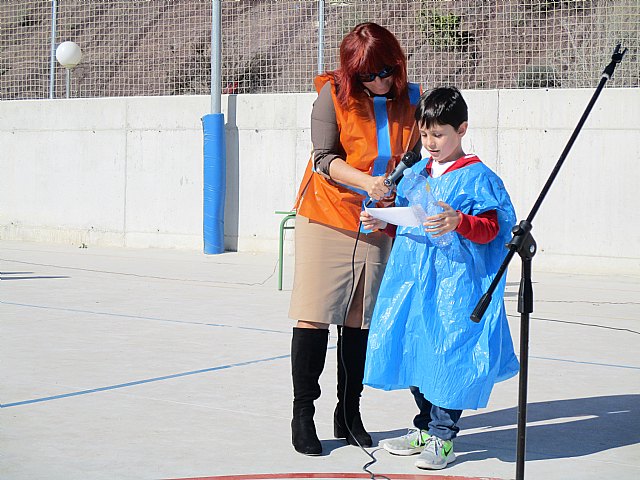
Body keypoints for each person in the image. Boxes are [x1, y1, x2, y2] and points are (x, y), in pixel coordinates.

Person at [361, 86, 520, 470]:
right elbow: (408, 226)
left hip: (456, 286)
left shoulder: (479, 177)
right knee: (415, 350)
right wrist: (381, 221)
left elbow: (493, 230)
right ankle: (425, 425)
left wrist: (459, 221)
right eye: (425, 134)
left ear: (462, 129)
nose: (430, 143)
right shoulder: (415, 174)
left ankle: (444, 435)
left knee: (451, 356)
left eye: (439, 134)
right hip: (413, 283)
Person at [288, 22, 421, 456]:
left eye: (386, 70)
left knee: (359, 320)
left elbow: (417, 157)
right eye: (368, 75)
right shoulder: (333, 95)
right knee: (314, 314)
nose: (380, 81)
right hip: (327, 213)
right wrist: (369, 182)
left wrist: (397, 192)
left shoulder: (411, 99)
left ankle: (349, 413)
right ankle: (303, 413)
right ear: (352, 73)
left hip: (378, 220)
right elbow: (324, 158)